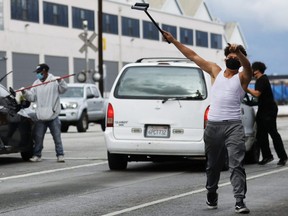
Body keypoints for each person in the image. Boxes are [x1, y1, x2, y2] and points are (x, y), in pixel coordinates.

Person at [163, 31, 252, 214]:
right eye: (231, 56)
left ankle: (239, 201)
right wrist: (173, 41)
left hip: (234, 125)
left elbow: (248, 67)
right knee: (213, 165)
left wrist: (240, 53)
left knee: (236, 164)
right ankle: (211, 192)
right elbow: (193, 56)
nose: (233, 59)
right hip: (213, 126)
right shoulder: (215, 71)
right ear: (226, 58)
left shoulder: (242, 77)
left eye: (237, 57)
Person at [21, 63, 68, 162]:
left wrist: (61, 81)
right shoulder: (36, 83)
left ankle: (60, 155)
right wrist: (25, 93)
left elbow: (64, 89)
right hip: (40, 116)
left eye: (39, 72)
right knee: (38, 138)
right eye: (37, 72)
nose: (38, 74)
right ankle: (37, 155)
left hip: (53, 116)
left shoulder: (54, 81)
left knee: (57, 138)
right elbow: (32, 97)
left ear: (45, 71)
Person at [246, 61, 287, 166]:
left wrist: (245, 88)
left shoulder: (262, 79)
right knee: (260, 135)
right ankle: (267, 156)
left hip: (269, 110)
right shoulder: (260, 80)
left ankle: (283, 157)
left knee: (273, 133)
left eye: (252, 69)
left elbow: (257, 93)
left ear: (256, 70)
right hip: (263, 109)